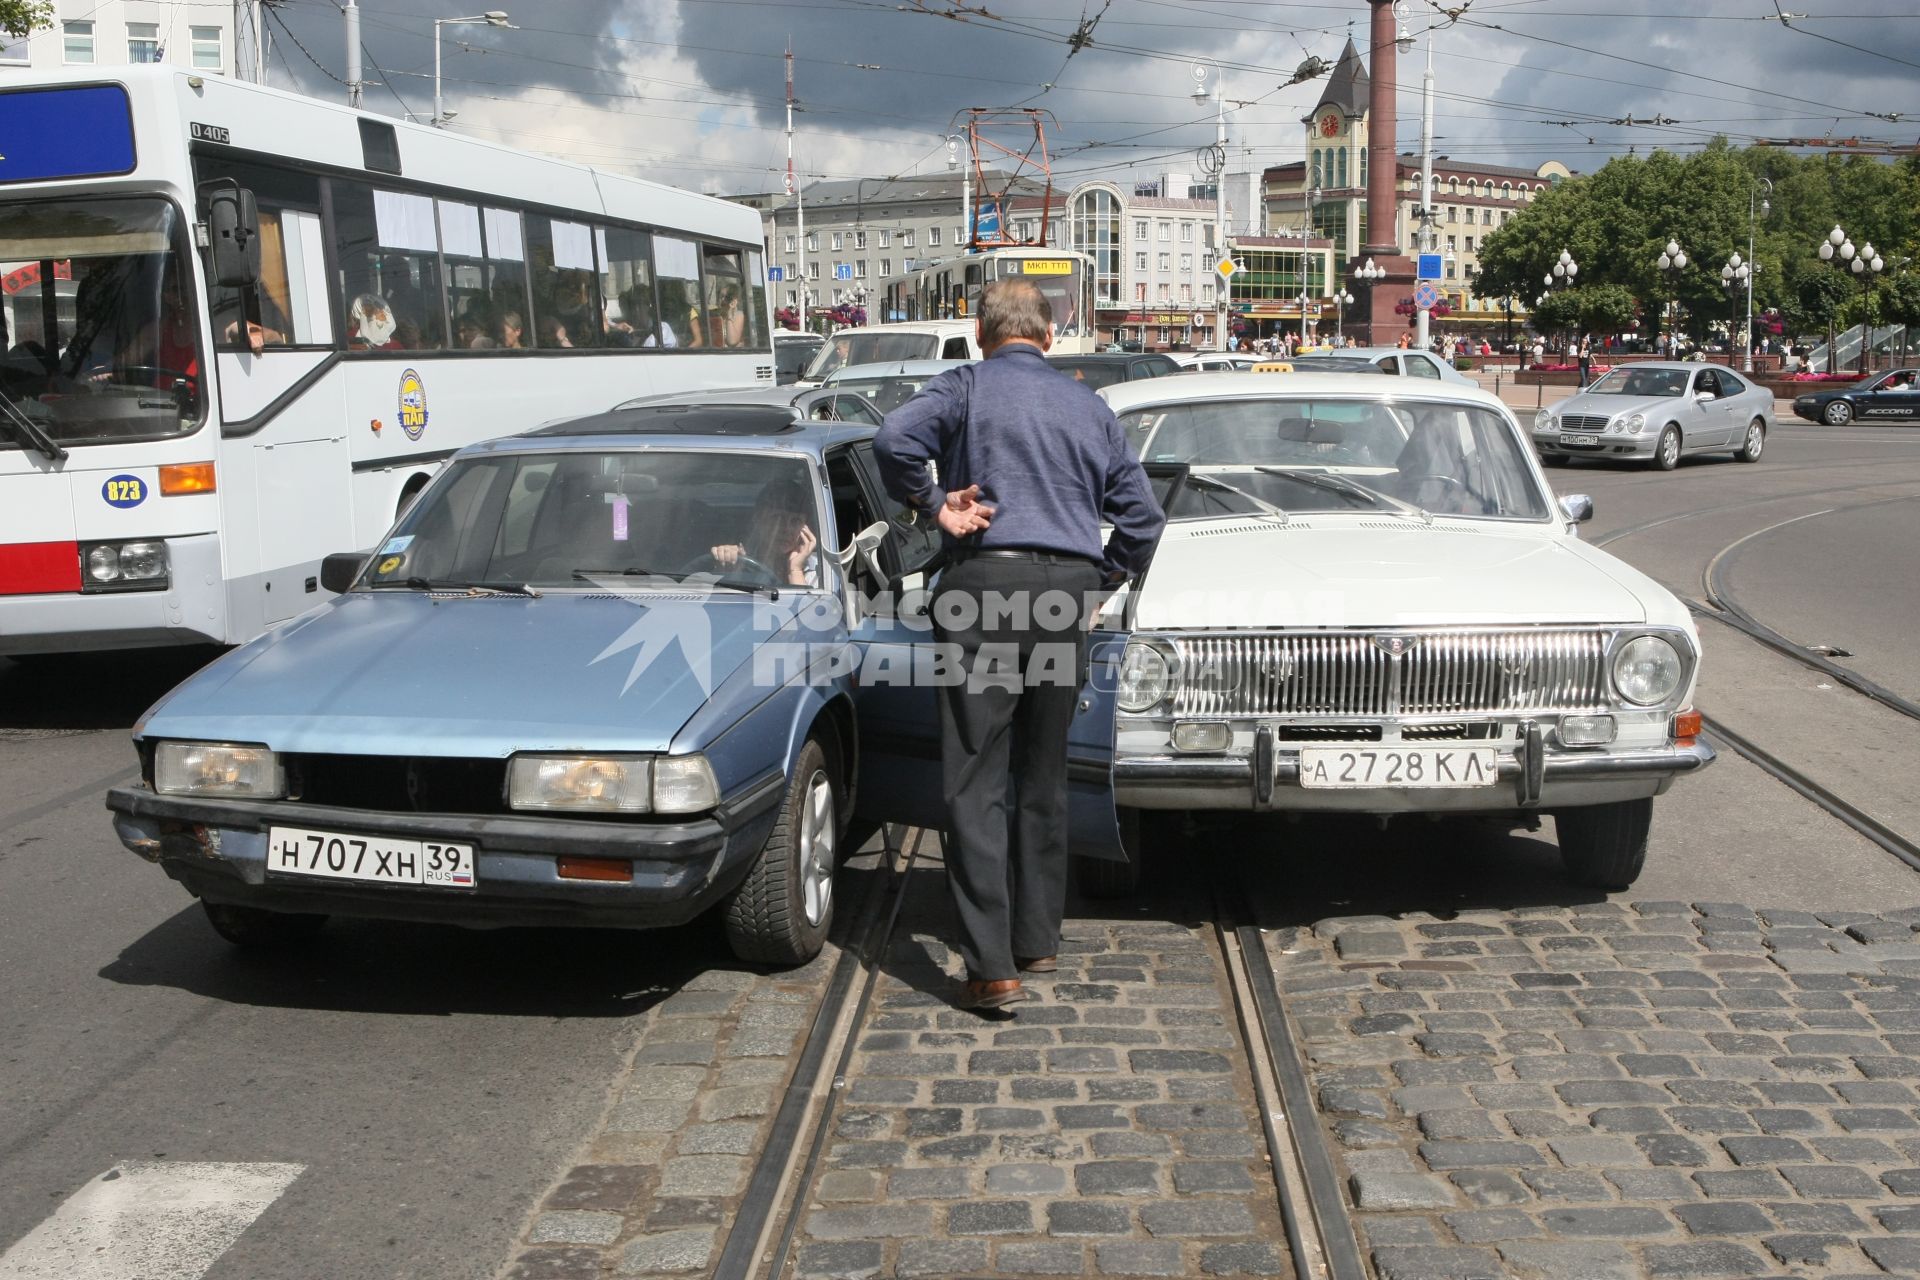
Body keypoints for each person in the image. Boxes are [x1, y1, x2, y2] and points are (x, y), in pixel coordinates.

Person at [873, 279, 1164, 1012]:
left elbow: (891, 439)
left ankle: (991, 965)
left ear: (981, 333)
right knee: (1044, 771)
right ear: (1051, 335)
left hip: (984, 590)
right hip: (1065, 592)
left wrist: (936, 504)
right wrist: (1102, 577)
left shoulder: (964, 387)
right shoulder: (1089, 406)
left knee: (974, 777)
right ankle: (1037, 938)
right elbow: (1144, 519)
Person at [707, 476, 819, 586]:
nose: (786, 528)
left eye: (795, 521)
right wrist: (727, 567)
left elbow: (807, 604)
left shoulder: (819, 570)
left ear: (806, 528)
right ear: (758, 520)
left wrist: (795, 570)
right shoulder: (739, 559)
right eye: (777, 518)